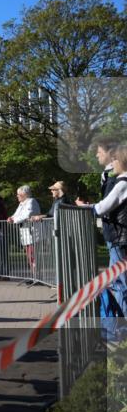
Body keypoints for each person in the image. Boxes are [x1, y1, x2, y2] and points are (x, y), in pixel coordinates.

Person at [80, 141, 127, 346]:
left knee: (121, 285)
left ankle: (122, 330)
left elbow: (102, 208)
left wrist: (85, 208)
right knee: (118, 284)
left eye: (115, 159)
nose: (111, 164)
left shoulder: (123, 183)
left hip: (119, 239)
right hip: (118, 238)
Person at [8, 185, 41, 283]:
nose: (17, 196)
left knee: (33, 256)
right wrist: (11, 218)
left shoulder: (31, 201)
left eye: (18, 194)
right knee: (30, 256)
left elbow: (27, 215)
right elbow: (16, 214)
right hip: (26, 233)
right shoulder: (22, 204)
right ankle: (33, 276)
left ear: (24, 194)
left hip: (32, 233)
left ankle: (36, 277)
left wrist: (14, 220)